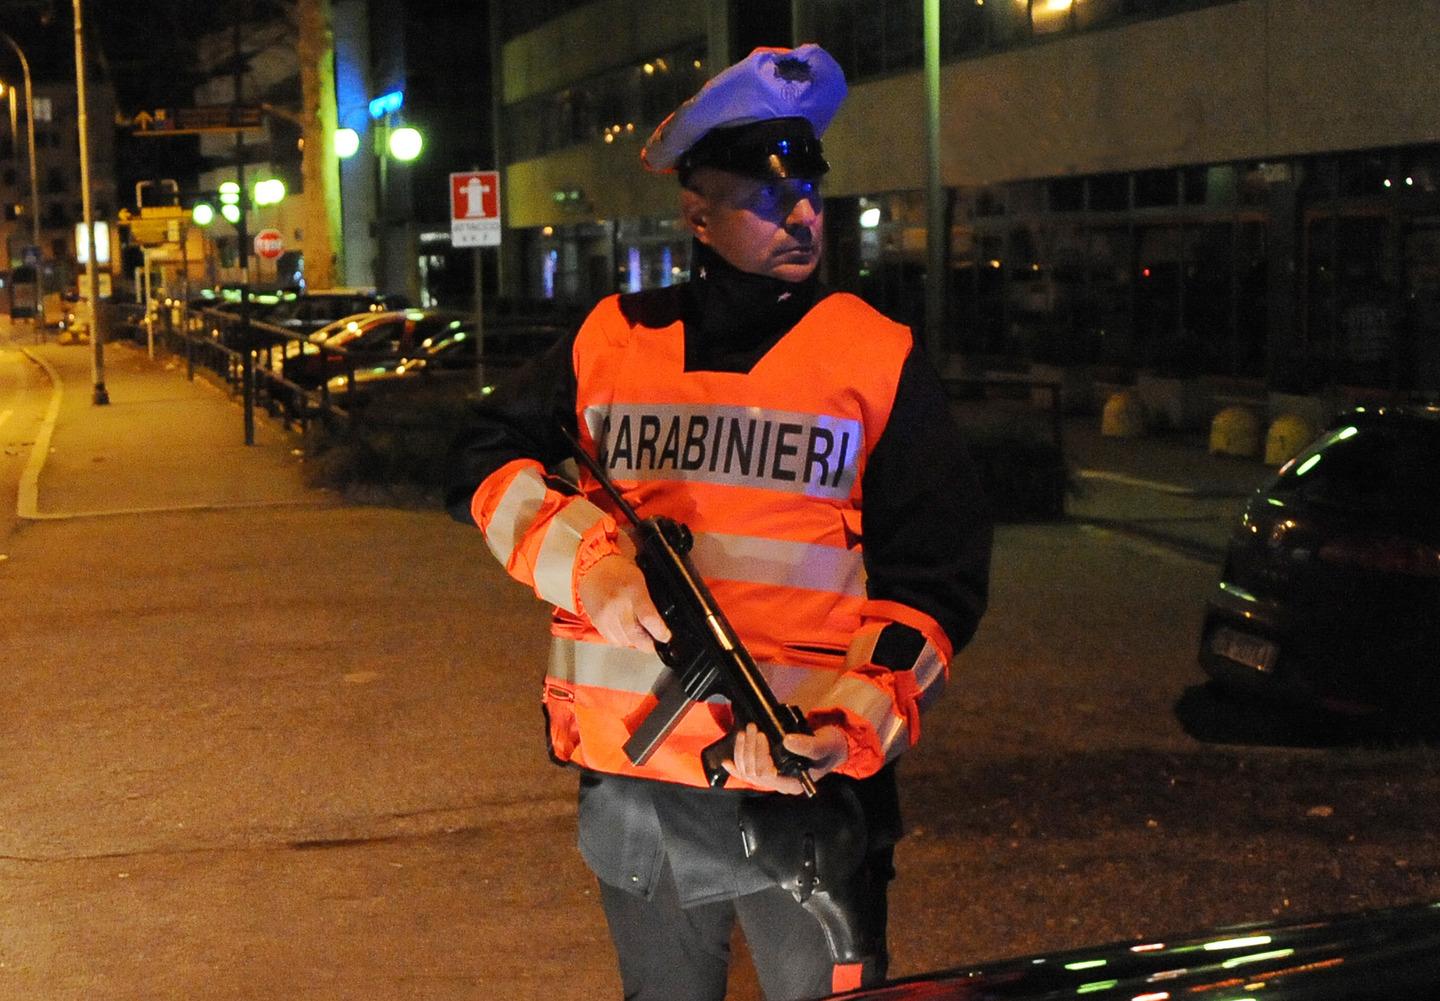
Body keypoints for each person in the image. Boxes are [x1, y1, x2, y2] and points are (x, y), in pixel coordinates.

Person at [446, 44, 992, 1001]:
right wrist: (586, 567)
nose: (803, 213)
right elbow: (478, 457)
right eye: (766, 196)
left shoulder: (874, 357)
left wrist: (846, 729)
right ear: (696, 213)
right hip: (637, 784)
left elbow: (935, 584)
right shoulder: (613, 339)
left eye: (810, 192)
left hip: (808, 783)